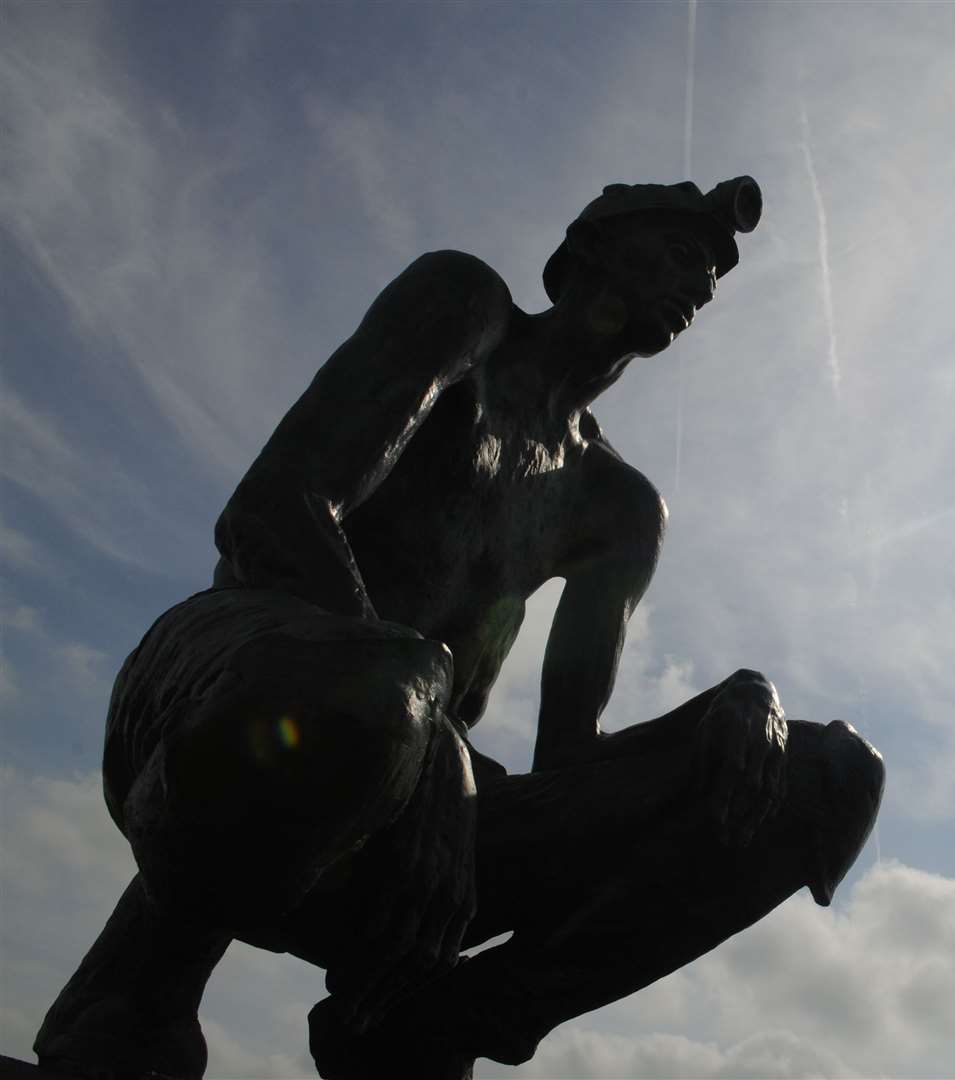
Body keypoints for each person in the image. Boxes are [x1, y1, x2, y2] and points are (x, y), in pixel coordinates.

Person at [35, 177, 884, 1080]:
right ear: (588, 249)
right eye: (681, 252)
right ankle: (144, 987)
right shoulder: (464, 307)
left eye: (712, 277)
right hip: (226, 698)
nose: (701, 283)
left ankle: (440, 1021)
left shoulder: (619, 506)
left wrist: (741, 701)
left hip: (419, 821)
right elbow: (273, 510)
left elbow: (568, 757)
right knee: (377, 694)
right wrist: (428, 713)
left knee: (830, 775)